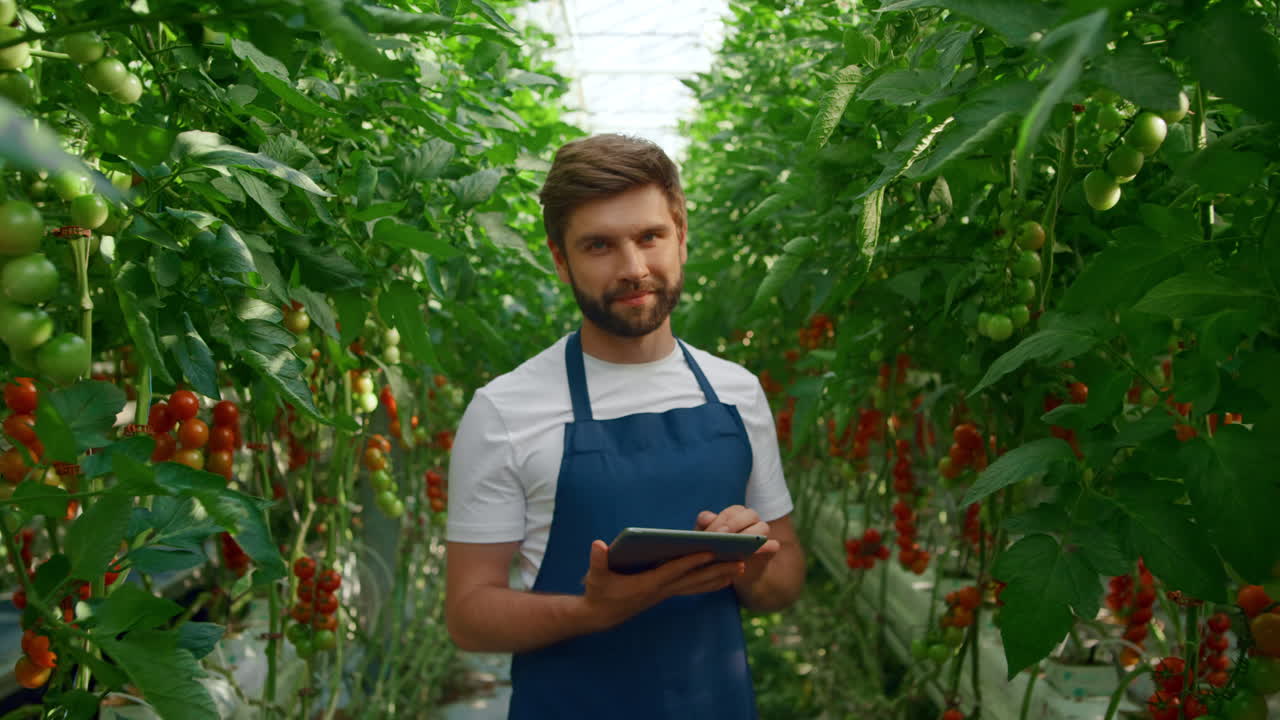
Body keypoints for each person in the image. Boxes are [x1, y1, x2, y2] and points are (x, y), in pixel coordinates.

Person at [444, 133, 805, 719]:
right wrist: (595, 611)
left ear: (681, 237)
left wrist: (753, 567)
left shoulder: (738, 392)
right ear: (561, 260)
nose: (633, 268)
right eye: (598, 246)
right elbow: (468, 613)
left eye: (649, 237)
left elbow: (785, 577)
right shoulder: (505, 410)